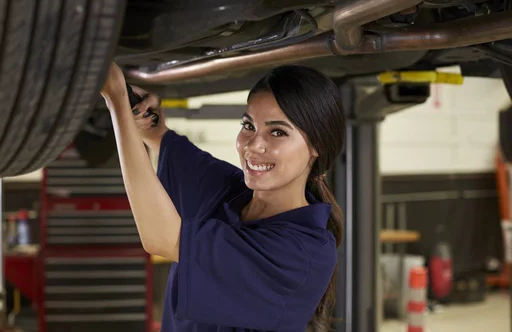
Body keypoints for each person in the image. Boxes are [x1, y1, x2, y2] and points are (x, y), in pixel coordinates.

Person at [100, 63, 346, 332]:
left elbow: (160, 238)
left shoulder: (302, 252)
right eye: (248, 125)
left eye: (277, 132)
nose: (253, 145)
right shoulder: (232, 191)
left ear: (317, 146)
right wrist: (145, 116)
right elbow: (160, 138)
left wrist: (117, 101)